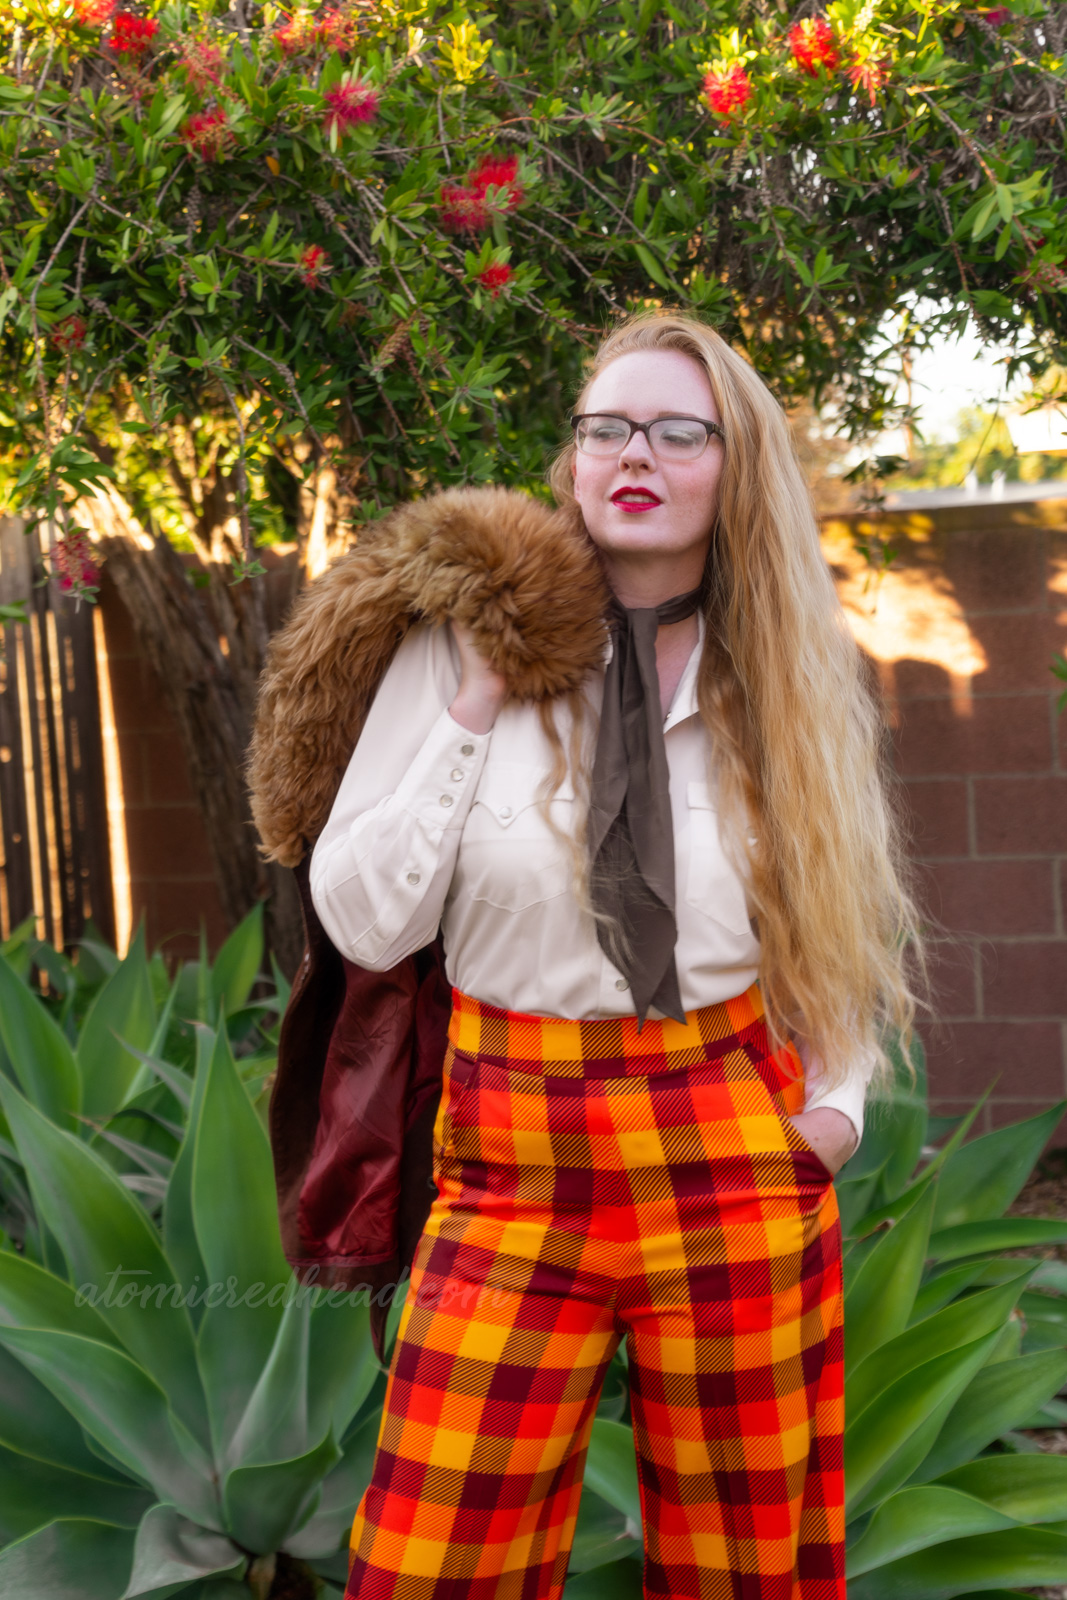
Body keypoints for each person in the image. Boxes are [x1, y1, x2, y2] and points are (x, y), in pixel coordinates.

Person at [297, 310, 922, 1599]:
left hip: (726, 1137)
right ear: (572, 462)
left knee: (750, 1572)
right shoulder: (446, 647)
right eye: (606, 427)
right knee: (430, 1563)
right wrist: (478, 690)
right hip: (511, 1152)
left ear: (732, 464)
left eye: (678, 430)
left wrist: (837, 1117)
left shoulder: (786, 677)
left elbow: (836, 933)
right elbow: (367, 927)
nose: (635, 451)